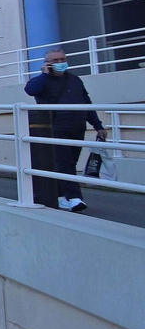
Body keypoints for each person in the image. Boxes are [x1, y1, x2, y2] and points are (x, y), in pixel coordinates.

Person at [25, 49, 108, 212]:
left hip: (77, 127)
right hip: (55, 127)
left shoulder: (75, 80)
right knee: (65, 162)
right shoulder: (41, 81)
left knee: (70, 162)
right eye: (55, 60)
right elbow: (30, 91)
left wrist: (97, 126)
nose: (59, 63)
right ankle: (74, 198)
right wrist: (44, 75)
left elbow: (86, 102)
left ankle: (59, 196)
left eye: (62, 59)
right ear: (47, 63)